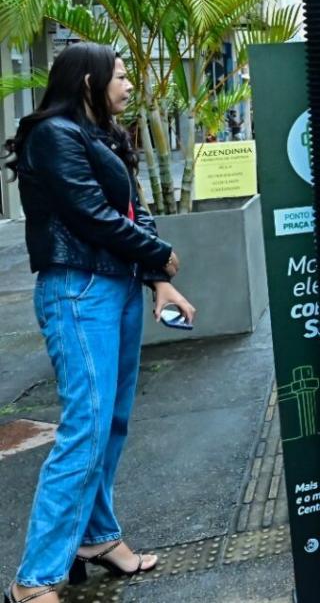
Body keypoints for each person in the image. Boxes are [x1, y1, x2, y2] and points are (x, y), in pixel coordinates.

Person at [3, 44, 196, 603]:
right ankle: (33, 579)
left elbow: (132, 206)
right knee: (86, 428)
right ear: (87, 81)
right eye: (120, 74)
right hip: (78, 288)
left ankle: (95, 537)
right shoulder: (54, 134)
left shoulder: (101, 133)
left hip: (116, 286)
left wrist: (158, 276)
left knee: (110, 420)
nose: (130, 83)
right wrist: (157, 255)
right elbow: (91, 213)